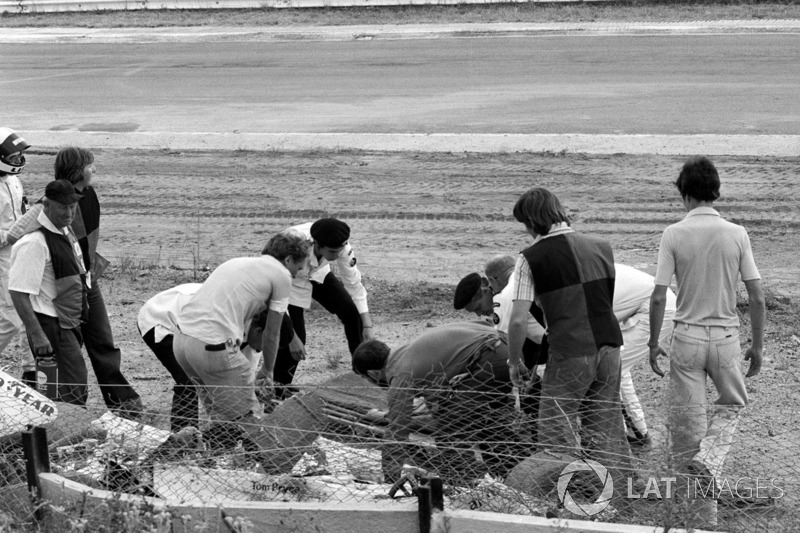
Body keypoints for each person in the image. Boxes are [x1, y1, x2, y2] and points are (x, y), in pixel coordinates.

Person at [648, 156, 765, 527]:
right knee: (732, 407)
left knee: (687, 428)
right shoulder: (737, 233)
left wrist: (653, 343)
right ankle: (710, 463)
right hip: (727, 338)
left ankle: (701, 518)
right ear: (716, 192)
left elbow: (657, 296)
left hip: (686, 337)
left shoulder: (673, 234)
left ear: (684, 195)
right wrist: (757, 345)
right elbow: (757, 296)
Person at [457, 259, 677, 449]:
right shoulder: (531, 278)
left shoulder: (509, 293)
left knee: (610, 369)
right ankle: (633, 433)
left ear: (491, 284)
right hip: (637, 304)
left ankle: (634, 435)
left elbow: (511, 338)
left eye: (476, 307)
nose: (479, 314)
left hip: (652, 307)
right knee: (607, 364)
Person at [506, 187, 630, 500]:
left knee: (556, 436)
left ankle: (558, 503)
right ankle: (614, 504)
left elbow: (518, 319)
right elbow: (603, 300)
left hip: (571, 351)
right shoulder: (602, 246)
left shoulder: (529, 258)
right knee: (605, 431)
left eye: (525, 224)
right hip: (610, 347)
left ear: (533, 222)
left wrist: (513, 362)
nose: (526, 231)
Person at [8, 147, 143, 419]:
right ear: (78, 169)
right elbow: (15, 235)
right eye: (90, 165)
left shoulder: (87, 195)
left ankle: (121, 404)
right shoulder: (50, 203)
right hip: (60, 296)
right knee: (69, 359)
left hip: (86, 282)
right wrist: (44, 253)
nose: (95, 170)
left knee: (101, 343)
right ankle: (65, 415)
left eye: (72, 206)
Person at [353, 321, 525, 484]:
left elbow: (397, 431)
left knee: (450, 432)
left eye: (365, 378)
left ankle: (466, 486)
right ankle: (520, 470)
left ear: (373, 374)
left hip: (491, 357)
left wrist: (390, 478)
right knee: (480, 421)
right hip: (510, 349)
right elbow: (439, 399)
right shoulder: (408, 352)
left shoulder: (400, 374)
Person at [172, 231, 308, 424]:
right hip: (212, 346)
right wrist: (268, 370)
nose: (296, 274)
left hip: (182, 341)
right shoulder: (282, 275)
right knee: (248, 418)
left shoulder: (236, 262)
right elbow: (272, 331)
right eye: (298, 267)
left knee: (221, 413)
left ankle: (215, 451)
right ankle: (255, 453)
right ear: (288, 259)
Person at [138, 283, 292, 431]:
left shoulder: (257, 332)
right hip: (161, 316)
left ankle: (217, 434)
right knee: (189, 380)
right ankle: (183, 442)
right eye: (265, 347)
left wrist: (256, 392)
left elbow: (242, 378)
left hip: (193, 322)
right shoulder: (225, 322)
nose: (262, 351)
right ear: (258, 331)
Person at [8, 180, 89, 405]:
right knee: (68, 391)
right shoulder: (34, 242)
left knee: (70, 386)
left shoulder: (63, 232)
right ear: (46, 205)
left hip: (65, 322)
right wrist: (36, 334)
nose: (69, 212)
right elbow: (18, 293)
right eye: (63, 206)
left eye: (72, 206)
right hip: (49, 326)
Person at [273, 218, 375, 398]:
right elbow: (275, 294)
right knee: (296, 339)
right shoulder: (290, 245)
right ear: (317, 244)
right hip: (288, 280)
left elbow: (354, 284)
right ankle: (279, 387)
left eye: (339, 250)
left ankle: (361, 373)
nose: (336, 255)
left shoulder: (340, 245)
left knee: (352, 314)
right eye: (332, 252)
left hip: (317, 272)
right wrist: (292, 335)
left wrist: (367, 326)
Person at [0, 128, 32, 382]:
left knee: (26, 314)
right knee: (12, 317)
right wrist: (12, 235)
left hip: (20, 251)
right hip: (3, 257)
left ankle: (31, 371)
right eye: (13, 156)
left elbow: (22, 211)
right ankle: (31, 370)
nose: (18, 160)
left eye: (20, 155)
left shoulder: (13, 181)